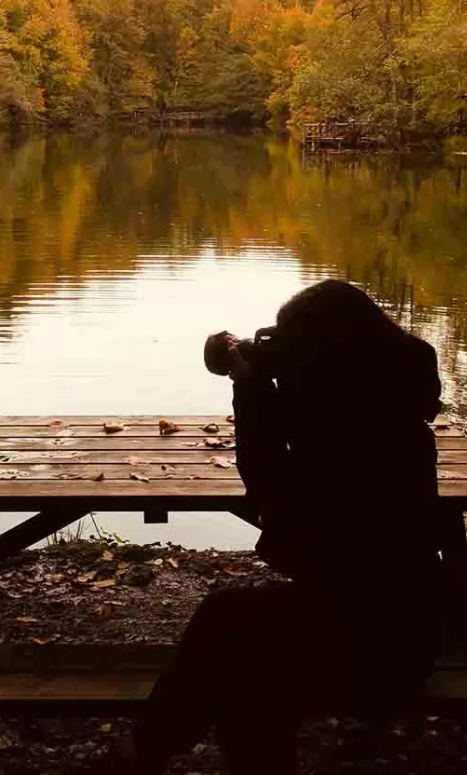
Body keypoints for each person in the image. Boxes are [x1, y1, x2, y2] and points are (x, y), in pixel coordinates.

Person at [126, 279, 444, 775]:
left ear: (324, 357)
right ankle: (156, 748)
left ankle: (149, 750)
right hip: (410, 626)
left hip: (378, 647)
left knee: (229, 633)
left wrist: (249, 389)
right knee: (238, 645)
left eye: (294, 346)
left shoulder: (340, 441)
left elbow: (279, 520)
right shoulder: (393, 416)